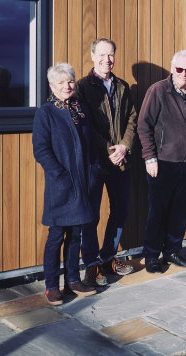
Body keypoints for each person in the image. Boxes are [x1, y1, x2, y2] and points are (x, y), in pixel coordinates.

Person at [33, 62, 101, 305]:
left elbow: (92, 141)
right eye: (61, 82)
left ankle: (72, 280)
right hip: (60, 186)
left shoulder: (80, 109)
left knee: (76, 234)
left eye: (70, 81)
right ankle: (51, 286)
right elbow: (41, 150)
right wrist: (60, 176)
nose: (67, 86)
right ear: (52, 86)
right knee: (57, 235)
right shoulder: (46, 112)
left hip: (83, 182)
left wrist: (93, 169)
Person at [75, 38, 138, 286]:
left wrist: (124, 146)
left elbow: (132, 119)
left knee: (121, 209)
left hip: (120, 161)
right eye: (102, 55)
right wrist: (109, 148)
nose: (107, 60)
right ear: (92, 56)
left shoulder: (122, 86)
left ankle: (108, 257)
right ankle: (91, 266)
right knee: (91, 216)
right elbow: (85, 125)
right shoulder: (82, 87)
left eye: (111, 55)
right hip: (95, 162)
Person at [138, 50, 186, 274]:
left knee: (180, 211)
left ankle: (172, 251)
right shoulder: (158, 91)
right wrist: (150, 157)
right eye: (179, 69)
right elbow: (144, 125)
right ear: (172, 67)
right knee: (158, 211)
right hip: (162, 162)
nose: (184, 74)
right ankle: (151, 255)